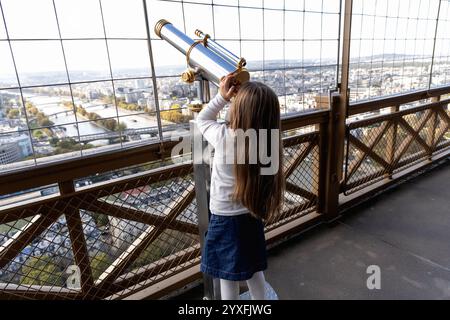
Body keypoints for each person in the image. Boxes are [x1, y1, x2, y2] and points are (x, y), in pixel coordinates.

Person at [196, 74, 284, 300]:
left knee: (227, 274)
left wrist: (222, 97)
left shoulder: (225, 137)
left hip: (225, 218)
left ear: (239, 111)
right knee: (253, 268)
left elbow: (203, 120)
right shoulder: (268, 142)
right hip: (251, 214)